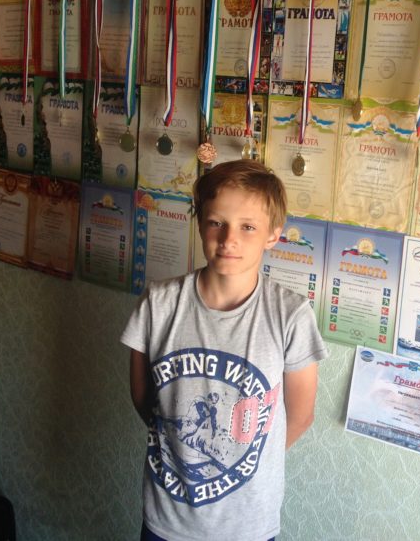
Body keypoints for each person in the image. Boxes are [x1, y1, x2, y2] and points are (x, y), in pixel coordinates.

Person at [121, 159, 328, 541]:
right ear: (200, 223)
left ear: (272, 235)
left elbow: (299, 416)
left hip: (247, 525)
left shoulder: (290, 316)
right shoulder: (158, 304)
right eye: (217, 222)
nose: (229, 238)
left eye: (248, 227)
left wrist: (241, 459)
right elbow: (144, 399)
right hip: (168, 518)